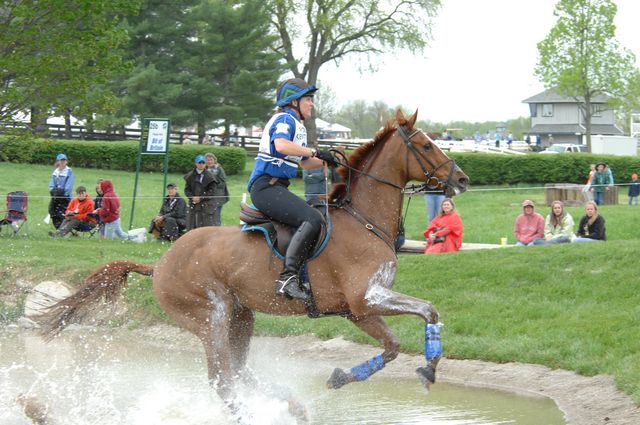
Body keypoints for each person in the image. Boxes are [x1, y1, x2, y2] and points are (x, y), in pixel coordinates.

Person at [247, 77, 338, 301]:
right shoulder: (284, 119)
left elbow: (305, 163)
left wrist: (332, 160)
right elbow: (281, 145)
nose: (312, 104)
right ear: (294, 101)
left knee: (316, 218)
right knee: (312, 219)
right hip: (266, 187)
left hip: (277, 188)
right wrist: (315, 152)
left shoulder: (298, 126)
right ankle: (287, 279)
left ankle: (304, 276)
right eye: (308, 99)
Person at [184, 154, 219, 230]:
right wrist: (192, 197)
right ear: (196, 163)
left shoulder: (210, 176)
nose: (201, 164)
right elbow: (187, 190)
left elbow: (212, 191)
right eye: (199, 163)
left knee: (206, 225)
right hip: (193, 203)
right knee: (191, 224)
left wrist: (201, 198)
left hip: (207, 204)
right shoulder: (190, 176)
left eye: (203, 163)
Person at [48, 153, 75, 229]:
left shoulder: (69, 171)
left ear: (66, 161)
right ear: (58, 161)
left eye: (64, 160)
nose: (63, 162)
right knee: (52, 211)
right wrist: (53, 193)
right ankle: (58, 228)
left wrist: (61, 194)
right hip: (56, 196)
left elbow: (68, 187)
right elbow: (51, 186)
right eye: (61, 160)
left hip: (66, 197)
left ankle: (64, 230)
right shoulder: (55, 172)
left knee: (63, 213)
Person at [204, 152, 229, 225]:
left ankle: (218, 233)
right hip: (206, 197)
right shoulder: (203, 169)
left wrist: (212, 183)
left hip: (217, 196)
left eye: (211, 160)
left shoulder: (219, 169)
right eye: (207, 160)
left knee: (216, 217)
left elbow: (222, 183)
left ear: (214, 160)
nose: (209, 161)